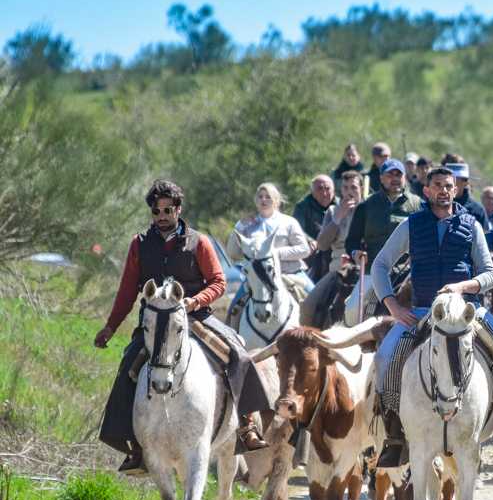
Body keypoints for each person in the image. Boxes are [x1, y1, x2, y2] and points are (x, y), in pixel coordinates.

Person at [94, 180, 270, 475]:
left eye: (167, 210)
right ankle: (134, 445)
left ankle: (247, 425)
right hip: (154, 322)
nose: (161, 215)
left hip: (194, 318)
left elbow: (218, 282)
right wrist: (110, 328)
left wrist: (195, 301)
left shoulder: (198, 241)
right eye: (156, 210)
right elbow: (127, 291)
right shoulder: (139, 245)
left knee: (238, 354)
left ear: (178, 209)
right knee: (129, 366)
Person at [371, 166, 493, 467]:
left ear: (456, 190)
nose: (443, 190)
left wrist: (462, 287)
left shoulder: (472, 224)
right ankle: (395, 437)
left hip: (467, 311)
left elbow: (490, 274)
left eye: (448, 185)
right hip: (423, 310)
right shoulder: (411, 225)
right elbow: (380, 265)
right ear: (426, 191)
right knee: (386, 357)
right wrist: (394, 307)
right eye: (437, 185)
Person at [225, 183, 313, 323]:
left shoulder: (289, 222)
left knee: (316, 299)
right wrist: (239, 226)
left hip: (291, 274)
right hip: (256, 278)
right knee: (233, 310)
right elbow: (233, 253)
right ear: (256, 200)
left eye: (268, 197)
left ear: (276, 201)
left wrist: (275, 254)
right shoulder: (248, 224)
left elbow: (304, 249)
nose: (264, 200)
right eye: (260, 197)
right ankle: (232, 340)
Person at [299, 170, 364, 326]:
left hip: (363, 268)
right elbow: (322, 244)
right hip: (337, 270)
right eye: (346, 188)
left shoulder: (369, 209)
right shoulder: (333, 211)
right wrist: (337, 219)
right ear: (341, 190)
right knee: (308, 307)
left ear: (361, 189)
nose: (349, 192)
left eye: (354, 188)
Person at [344, 158, 423, 267]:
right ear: (381, 178)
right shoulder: (366, 206)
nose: (395, 179)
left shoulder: (419, 205)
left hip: (407, 273)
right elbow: (352, 241)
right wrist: (355, 253)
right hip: (372, 270)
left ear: (404, 178)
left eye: (398, 175)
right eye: (390, 175)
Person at [293, 174, 336, 282]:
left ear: (334, 190)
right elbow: (297, 229)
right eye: (320, 189)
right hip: (313, 251)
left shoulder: (341, 205)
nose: (324, 193)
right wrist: (310, 240)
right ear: (312, 192)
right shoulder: (302, 206)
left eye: (327, 188)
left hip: (336, 250)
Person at [444, 162, 489, 228]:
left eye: (454, 180)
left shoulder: (477, 210)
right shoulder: (435, 206)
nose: (449, 184)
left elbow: (484, 236)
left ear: (465, 183)